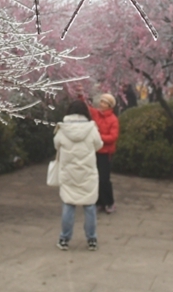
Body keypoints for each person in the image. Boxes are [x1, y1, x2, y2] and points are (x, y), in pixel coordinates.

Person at [53, 99, 104, 251]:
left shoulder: (62, 128)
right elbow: (99, 145)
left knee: (68, 205)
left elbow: (56, 145)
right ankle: (92, 239)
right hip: (87, 173)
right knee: (89, 206)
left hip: (68, 173)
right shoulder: (91, 128)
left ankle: (64, 239)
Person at [89, 93, 120, 214]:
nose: (101, 104)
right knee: (95, 178)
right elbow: (87, 109)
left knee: (104, 179)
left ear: (110, 106)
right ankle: (99, 202)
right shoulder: (97, 114)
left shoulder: (113, 120)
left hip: (105, 152)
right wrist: (80, 96)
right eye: (101, 102)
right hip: (95, 151)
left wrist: (98, 137)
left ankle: (110, 202)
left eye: (104, 103)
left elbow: (113, 137)